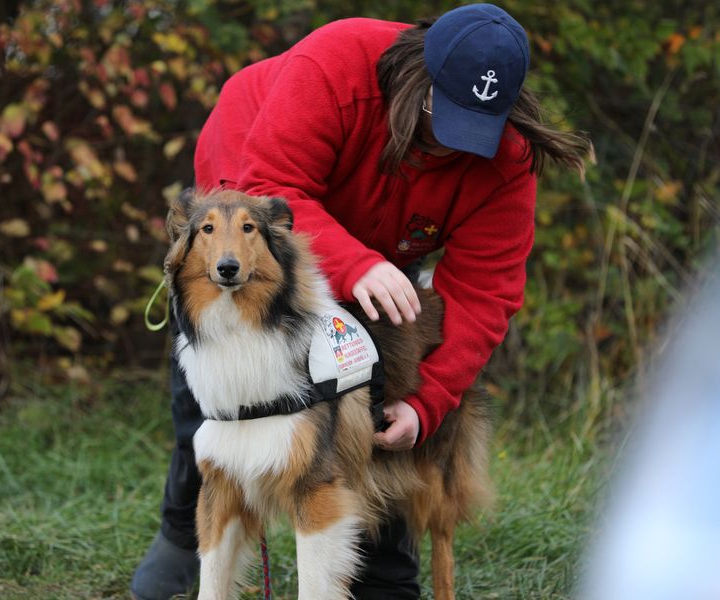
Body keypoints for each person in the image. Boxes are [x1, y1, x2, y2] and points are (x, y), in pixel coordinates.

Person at [131, 4, 591, 599]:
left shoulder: (506, 158)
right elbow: (274, 182)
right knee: (228, 376)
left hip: (381, 232)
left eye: (473, 128)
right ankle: (182, 530)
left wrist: (428, 404)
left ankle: (382, 572)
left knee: (381, 371)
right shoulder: (337, 64)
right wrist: (356, 264)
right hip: (255, 177)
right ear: (418, 76)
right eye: (441, 117)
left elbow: (486, 292)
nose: (452, 145)